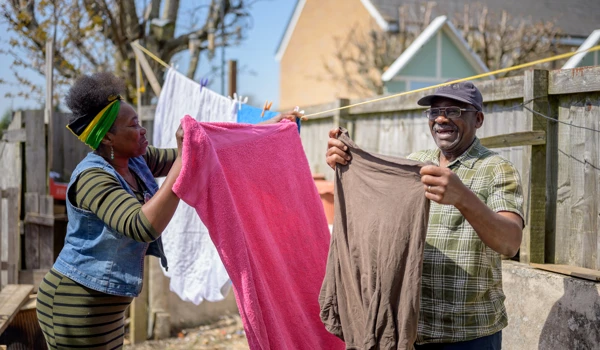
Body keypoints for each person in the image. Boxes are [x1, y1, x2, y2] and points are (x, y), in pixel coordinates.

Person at [36, 72, 303, 349]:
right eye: (134, 124)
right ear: (107, 139)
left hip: (104, 307)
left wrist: (267, 127)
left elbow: (203, 152)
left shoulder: (135, 162)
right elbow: (142, 225)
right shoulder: (93, 178)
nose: (143, 130)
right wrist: (182, 162)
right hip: (74, 303)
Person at [325, 81, 524, 349]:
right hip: (409, 331)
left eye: (454, 111)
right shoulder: (417, 162)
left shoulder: (497, 169)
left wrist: (463, 198)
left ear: (477, 119)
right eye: (434, 112)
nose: (441, 118)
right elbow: (381, 217)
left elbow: (510, 243)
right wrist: (347, 167)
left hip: (468, 335)